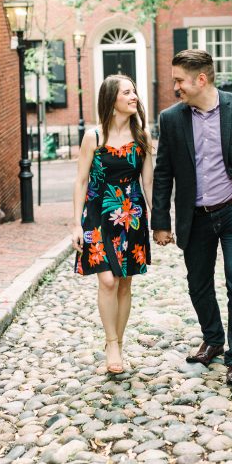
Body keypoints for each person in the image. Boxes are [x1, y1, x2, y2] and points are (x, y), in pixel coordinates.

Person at [152, 49, 232, 388]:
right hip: (195, 216)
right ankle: (213, 338)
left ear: (201, 79)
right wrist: (160, 222)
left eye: (179, 80)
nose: (175, 86)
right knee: (199, 283)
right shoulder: (171, 119)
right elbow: (163, 173)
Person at [72, 74, 153, 375]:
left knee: (124, 282)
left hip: (131, 216)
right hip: (98, 216)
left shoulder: (142, 136)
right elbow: (80, 182)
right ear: (112, 100)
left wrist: (157, 218)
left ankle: (118, 340)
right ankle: (112, 343)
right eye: (127, 92)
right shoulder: (94, 137)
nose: (134, 97)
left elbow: (148, 183)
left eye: (134, 91)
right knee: (107, 280)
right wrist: (75, 224)